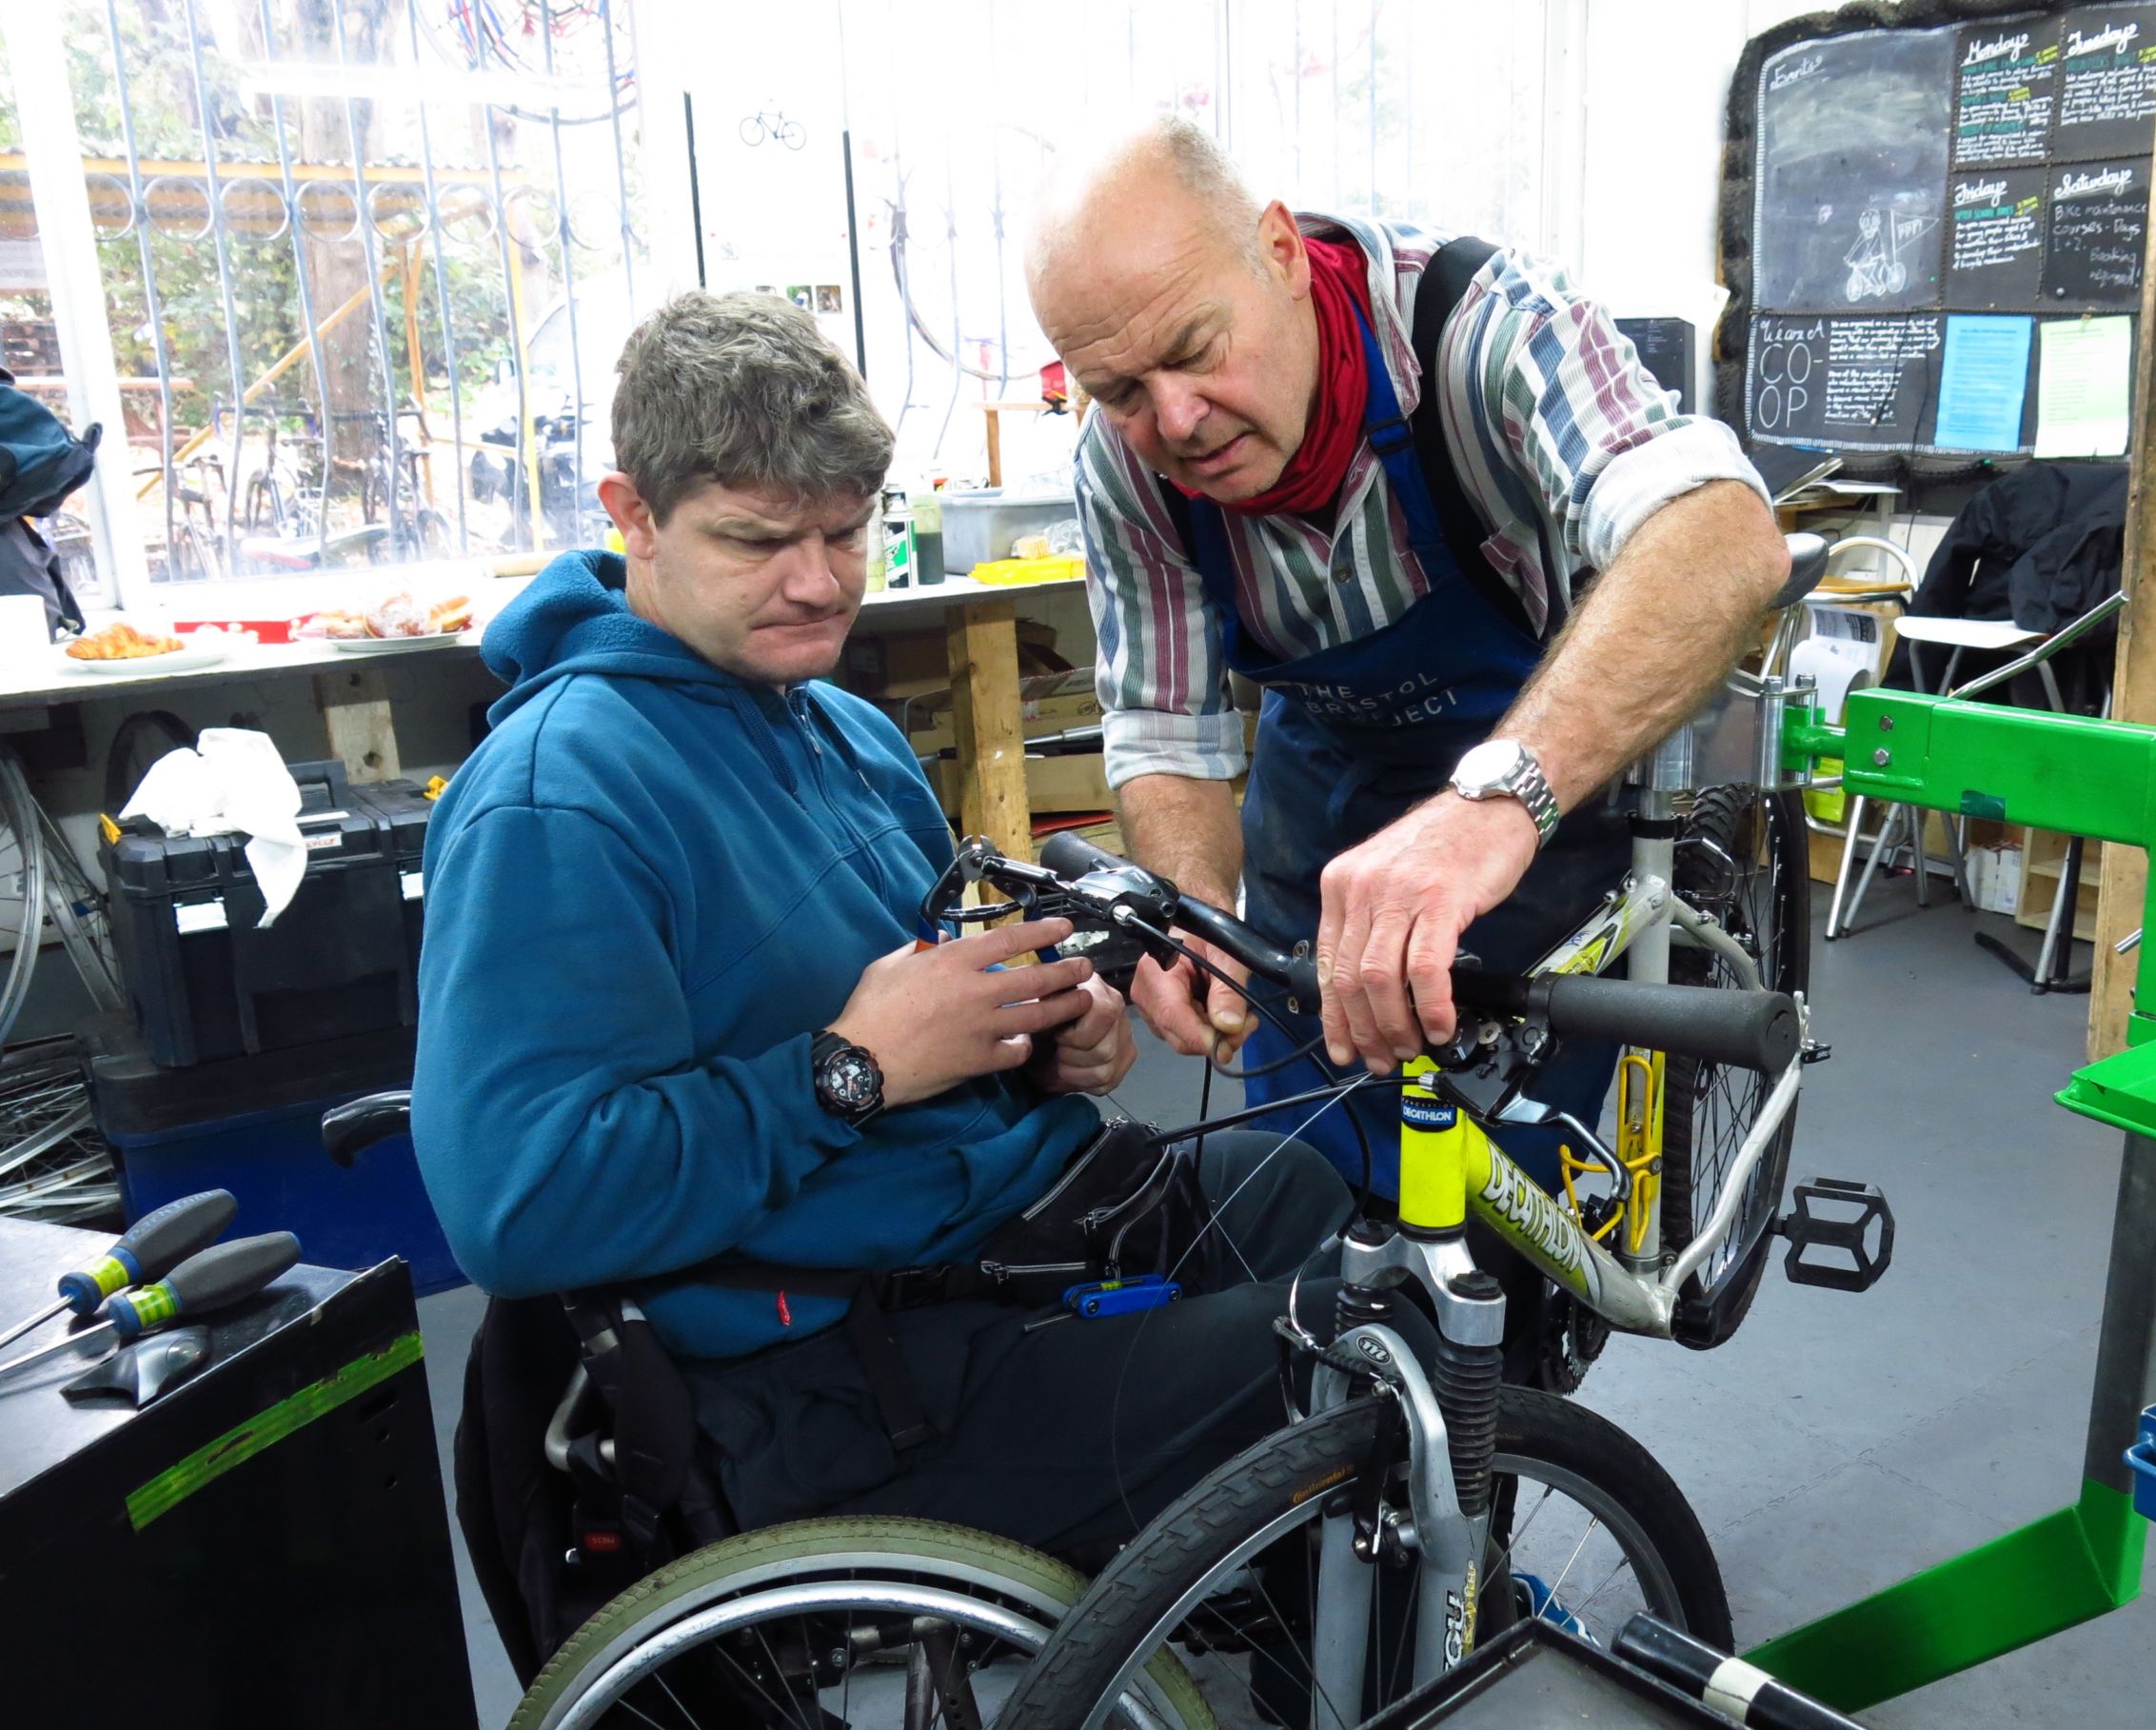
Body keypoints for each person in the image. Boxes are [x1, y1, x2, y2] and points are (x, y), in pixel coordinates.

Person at [412, 290, 1352, 1558]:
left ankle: (1268, 1640)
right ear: (630, 513)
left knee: (1296, 1194)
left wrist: (1042, 1039)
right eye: (757, 542)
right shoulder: (559, 799)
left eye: (847, 533)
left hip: (984, 1242)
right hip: (837, 1376)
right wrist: (848, 1071)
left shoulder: (835, 724)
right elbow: (518, 1213)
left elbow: (928, 1010)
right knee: (1360, 1331)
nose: (818, 584)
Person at [1026, 120, 1791, 1196]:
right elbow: (1164, 728)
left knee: (1500, 1172)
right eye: (1120, 391)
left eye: (1196, 351)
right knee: (1297, 1158)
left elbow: (1719, 534)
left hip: (1539, 762)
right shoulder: (1127, 462)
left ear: (1282, 253)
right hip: (1324, 777)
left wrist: (1495, 800)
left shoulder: (1486, 329)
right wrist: (1191, 913)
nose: (1177, 420)